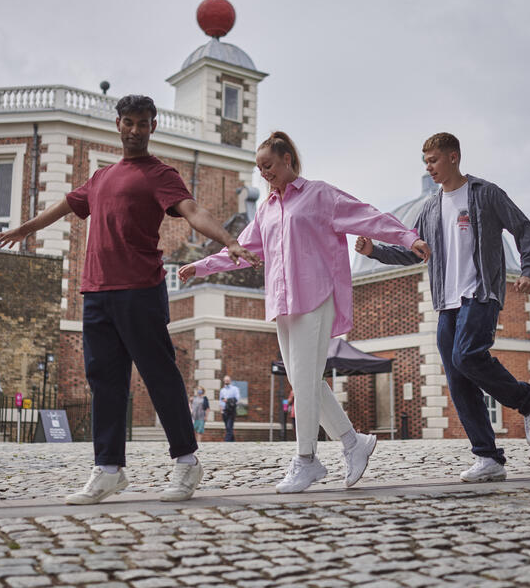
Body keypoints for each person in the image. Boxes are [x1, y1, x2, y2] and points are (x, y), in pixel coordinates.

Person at [0, 94, 259, 505]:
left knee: (159, 375)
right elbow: (63, 207)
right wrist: (23, 230)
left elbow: (193, 211)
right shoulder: (100, 179)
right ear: (117, 124)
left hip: (140, 290)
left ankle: (187, 462)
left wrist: (229, 241)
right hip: (96, 292)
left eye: (142, 123)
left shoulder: (160, 175)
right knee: (104, 382)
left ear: (153, 127)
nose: (135, 130)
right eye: (128, 122)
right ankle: (108, 470)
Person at [180, 130, 430, 493]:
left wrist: (408, 237)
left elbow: (368, 217)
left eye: (269, 166)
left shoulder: (320, 195)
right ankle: (352, 443)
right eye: (259, 169)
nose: (264, 174)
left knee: (306, 382)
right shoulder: (265, 209)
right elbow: (242, 250)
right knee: (303, 382)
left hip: (316, 296)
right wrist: (201, 266)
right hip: (282, 303)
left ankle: (307, 460)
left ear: (288, 161)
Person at [356, 132, 530, 483]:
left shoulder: (485, 194)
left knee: (466, 356)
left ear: (454, 157)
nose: (429, 167)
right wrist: (375, 252)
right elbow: (413, 251)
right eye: (425, 162)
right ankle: (488, 458)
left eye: (433, 160)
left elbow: (524, 229)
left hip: (480, 295)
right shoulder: (430, 208)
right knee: (458, 379)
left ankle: (529, 401)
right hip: (446, 303)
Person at [218, 375, 240, 442]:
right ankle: (232, 441)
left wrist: (227, 400)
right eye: (225, 380)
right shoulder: (222, 390)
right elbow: (220, 400)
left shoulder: (235, 389)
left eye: (228, 380)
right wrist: (221, 408)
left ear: (230, 380)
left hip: (231, 410)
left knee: (229, 426)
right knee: (227, 427)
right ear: (224, 381)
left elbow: (237, 399)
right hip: (224, 410)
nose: (227, 381)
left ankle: (226, 441)